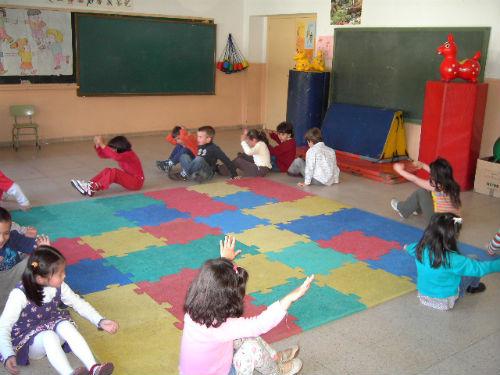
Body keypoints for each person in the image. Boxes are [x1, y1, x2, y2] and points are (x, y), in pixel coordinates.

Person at [179, 235, 314, 375]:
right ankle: (276, 371)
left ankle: (274, 357)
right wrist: (289, 298)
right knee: (251, 346)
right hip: (222, 370)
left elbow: (214, 281)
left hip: (209, 365)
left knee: (244, 334)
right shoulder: (223, 327)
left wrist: (225, 260)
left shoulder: (193, 313)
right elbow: (260, 323)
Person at [0, 246, 118, 375]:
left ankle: (94, 367)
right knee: (49, 336)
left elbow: (78, 303)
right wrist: (7, 354)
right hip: (30, 339)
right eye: (60, 274)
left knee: (66, 325)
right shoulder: (19, 294)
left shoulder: (60, 285)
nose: (65, 275)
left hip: (51, 323)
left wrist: (100, 321)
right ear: (41, 279)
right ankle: (68, 373)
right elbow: (4, 325)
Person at [405, 213, 500, 311]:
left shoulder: (420, 248)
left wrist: (406, 247)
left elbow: (410, 248)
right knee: (474, 259)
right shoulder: (453, 259)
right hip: (445, 301)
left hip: (423, 296)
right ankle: (473, 287)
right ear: (452, 237)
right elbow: (480, 268)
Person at [0, 207, 47, 309]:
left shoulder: (13, 237)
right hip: (3, 288)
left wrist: (42, 246)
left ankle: (51, 294)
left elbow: (33, 247)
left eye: (6, 233)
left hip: (18, 279)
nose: (1, 239)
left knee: (42, 258)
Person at [70, 135, 144, 197]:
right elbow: (103, 155)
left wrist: (102, 144)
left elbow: (116, 157)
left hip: (136, 182)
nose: (112, 150)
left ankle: (92, 188)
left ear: (119, 147)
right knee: (107, 170)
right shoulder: (120, 153)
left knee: (115, 172)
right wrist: (98, 145)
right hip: (130, 179)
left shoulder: (130, 154)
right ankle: (89, 186)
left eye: (113, 149)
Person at [391, 158, 461, 221]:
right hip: (454, 224)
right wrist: (422, 165)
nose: (430, 175)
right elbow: (437, 173)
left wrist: (399, 171)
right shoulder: (452, 183)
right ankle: (415, 208)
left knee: (421, 192)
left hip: (439, 224)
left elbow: (414, 179)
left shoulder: (436, 186)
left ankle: (403, 209)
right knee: (431, 194)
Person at [169, 126, 238, 183]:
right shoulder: (199, 145)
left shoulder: (214, 148)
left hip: (208, 172)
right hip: (197, 168)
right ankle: (194, 175)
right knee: (184, 156)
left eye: (200, 137)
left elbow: (226, 160)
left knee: (199, 159)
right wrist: (184, 134)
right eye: (198, 136)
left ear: (208, 139)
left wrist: (234, 174)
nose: (197, 139)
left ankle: (186, 174)